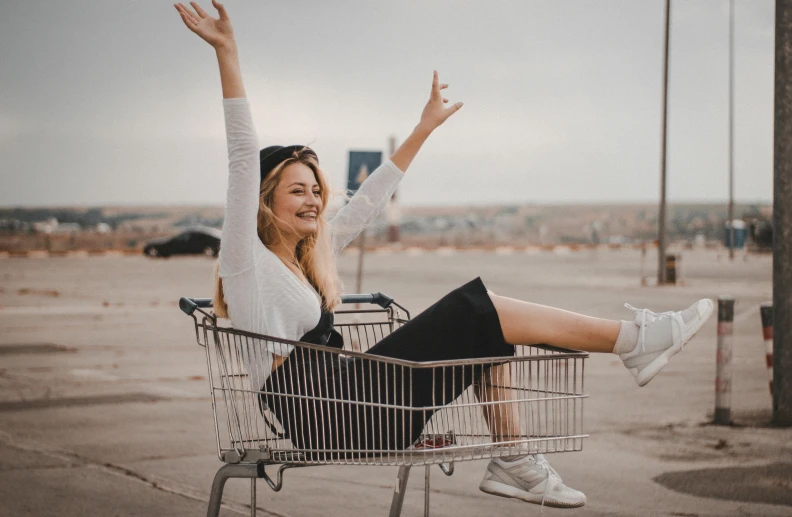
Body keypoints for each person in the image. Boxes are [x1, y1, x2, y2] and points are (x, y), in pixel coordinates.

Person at [174, 1, 714, 509]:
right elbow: (243, 157)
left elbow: (367, 203)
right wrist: (228, 54)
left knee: (490, 327)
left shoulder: (310, 259)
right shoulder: (246, 265)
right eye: (297, 190)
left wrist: (423, 128)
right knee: (478, 307)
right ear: (263, 200)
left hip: (351, 400)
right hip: (335, 413)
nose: (313, 199)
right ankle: (634, 341)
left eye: (316, 189)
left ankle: (514, 460)